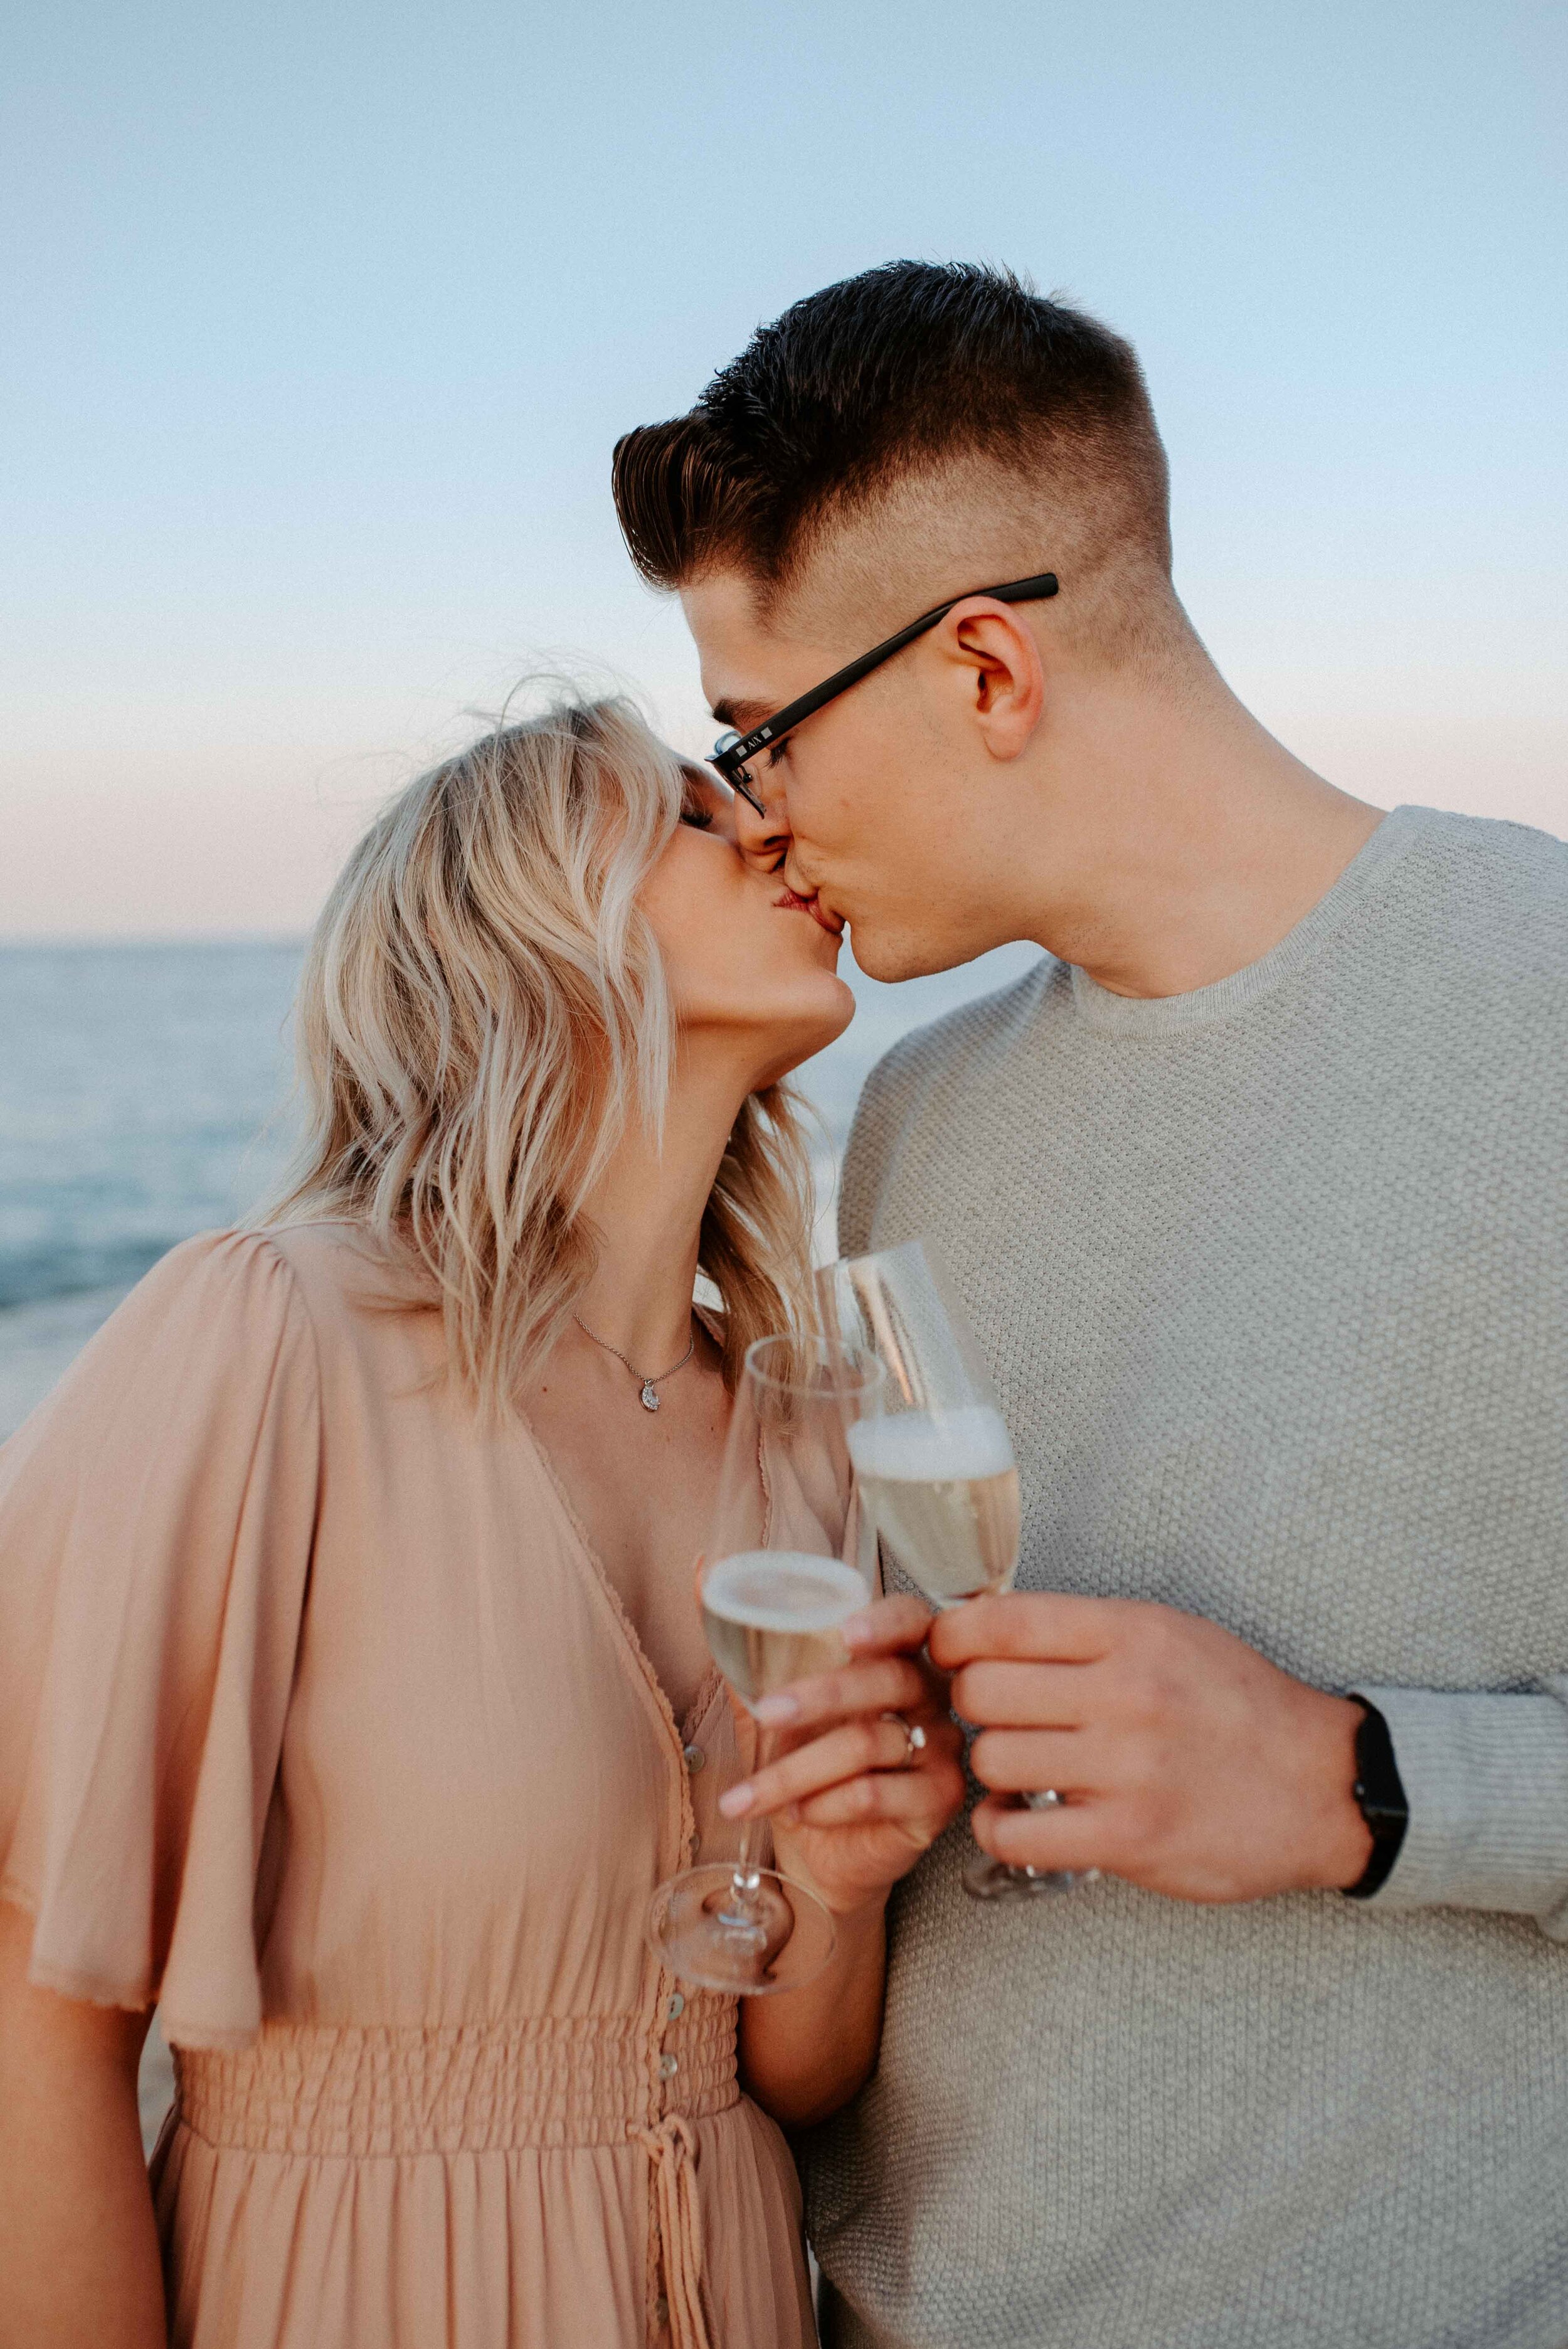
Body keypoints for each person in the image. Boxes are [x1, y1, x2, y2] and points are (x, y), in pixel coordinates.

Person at [610, 262, 1568, 2348]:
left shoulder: (1546, 1006)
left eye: (757, 731)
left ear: (979, 667)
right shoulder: (910, 1121)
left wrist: (1361, 1785)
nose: (752, 809)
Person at [0, 694, 965, 2349]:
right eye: (684, 813)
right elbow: (34, 2025)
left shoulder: (801, 1439)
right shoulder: (264, 1338)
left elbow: (781, 2064)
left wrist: (845, 1879)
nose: (770, 826)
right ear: (517, 927)